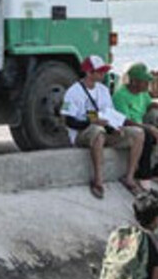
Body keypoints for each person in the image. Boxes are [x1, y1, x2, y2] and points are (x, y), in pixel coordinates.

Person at [60, 56, 145, 198]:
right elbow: (69, 121)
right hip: (83, 132)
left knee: (138, 134)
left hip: (104, 128)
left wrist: (114, 127)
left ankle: (129, 177)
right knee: (98, 132)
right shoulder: (72, 92)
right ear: (89, 72)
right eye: (99, 72)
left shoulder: (103, 90)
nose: (103, 74)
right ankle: (98, 180)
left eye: (103, 71)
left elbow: (108, 113)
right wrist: (91, 122)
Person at [111, 62, 158, 193]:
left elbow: (149, 105)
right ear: (134, 81)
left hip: (141, 126)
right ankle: (143, 175)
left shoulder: (143, 93)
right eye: (145, 82)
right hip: (128, 129)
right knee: (145, 135)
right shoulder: (120, 96)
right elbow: (125, 121)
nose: (148, 85)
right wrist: (150, 128)